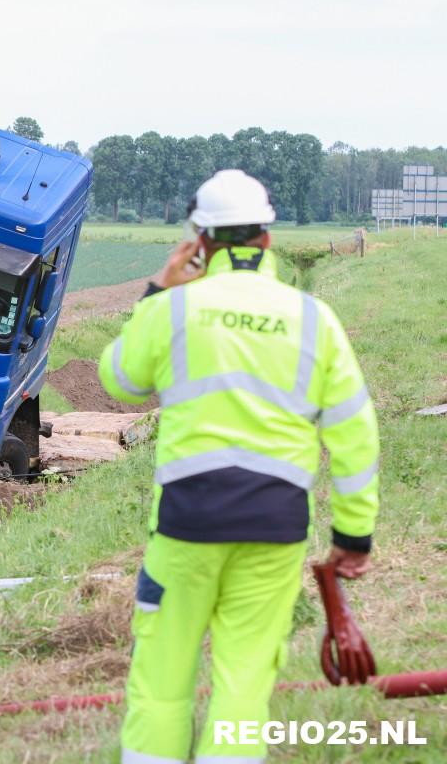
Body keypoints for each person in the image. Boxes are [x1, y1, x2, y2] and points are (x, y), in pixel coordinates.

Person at [98, 170, 380, 763]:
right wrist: (353, 536)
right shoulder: (313, 319)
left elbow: (119, 380)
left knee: (162, 679)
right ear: (268, 241)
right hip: (275, 527)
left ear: (199, 242)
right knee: (245, 684)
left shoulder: (175, 309)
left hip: (185, 523)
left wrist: (158, 290)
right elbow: (355, 434)